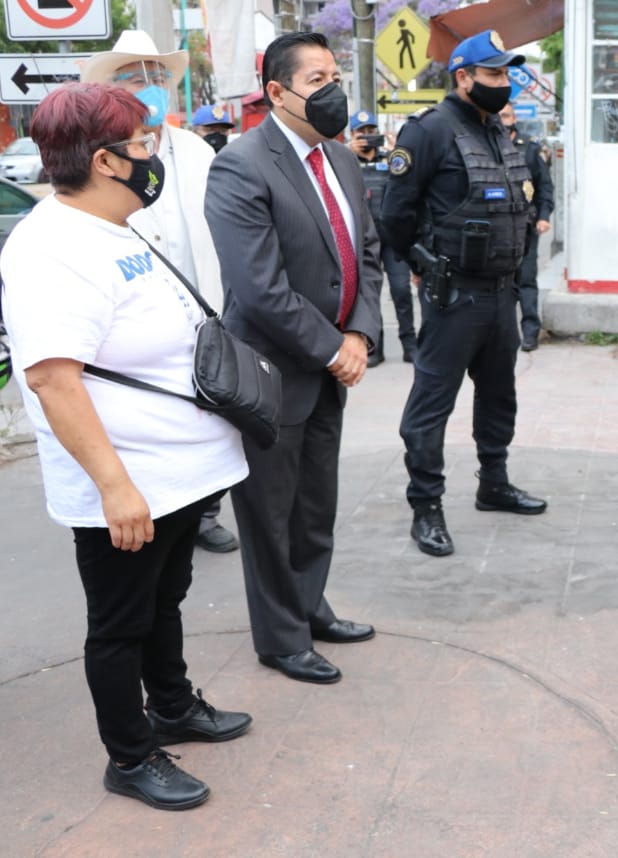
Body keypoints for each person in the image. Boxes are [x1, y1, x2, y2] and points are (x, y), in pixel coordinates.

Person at [0, 83, 252, 810]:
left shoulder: (111, 225)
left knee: (165, 598)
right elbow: (52, 379)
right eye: (142, 144)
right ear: (106, 161)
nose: (152, 155)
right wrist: (114, 486)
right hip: (129, 478)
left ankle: (172, 703)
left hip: (177, 469)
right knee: (118, 624)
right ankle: (130, 755)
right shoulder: (51, 249)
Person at [204, 32, 382, 685]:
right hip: (276, 370)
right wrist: (332, 347)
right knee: (269, 510)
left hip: (334, 363)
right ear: (276, 92)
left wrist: (360, 334)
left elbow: (366, 253)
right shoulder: (241, 165)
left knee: (316, 503)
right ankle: (280, 637)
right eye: (316, 79)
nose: (332, 89)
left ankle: (311, 607)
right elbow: (259, 286)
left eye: (334, 74)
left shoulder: (342, 159)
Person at [381, 30, 546, 558]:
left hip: (500, 297)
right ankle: (426, 508)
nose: (505, 84)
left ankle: (493, 484)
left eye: (506, 74)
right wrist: (422, 267)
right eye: (494, 75)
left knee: (499, 398)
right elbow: (395, 216)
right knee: (431, 409)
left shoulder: (496, 129)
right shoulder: (429, 132)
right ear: (463, 77)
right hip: (453, 299)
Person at [81, 30, 239, 556]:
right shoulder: (105, 156)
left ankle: (202, 511)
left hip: (203, 308)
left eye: (156, 77)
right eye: (133, 78)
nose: (149, 87)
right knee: (148, 411)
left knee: (209, 412)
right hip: (138, 318)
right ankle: (147, 502)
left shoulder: (196, 150)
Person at [349, 108, 413, 363]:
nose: (367, 136)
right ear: (352, 135)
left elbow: (404, 189)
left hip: (391, 239)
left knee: (401, 292)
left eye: (371, 131)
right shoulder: (345, 161)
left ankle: (410, 345)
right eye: (361, 133)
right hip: (364, 241)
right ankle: (375, 348)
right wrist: (348, 152)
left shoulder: (391, 161)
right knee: (369, 295)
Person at [498, 102, 554, 351]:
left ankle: (530, 331)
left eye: (506, 115)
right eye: (498, 116)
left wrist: (544, 216)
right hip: (496, 229)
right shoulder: (484, 147)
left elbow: (544, 187)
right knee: (500, 283)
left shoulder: (530, 149)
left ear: (514, 118)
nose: (503, 120)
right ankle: (502, 333)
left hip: (524, 227)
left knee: (526, 280)